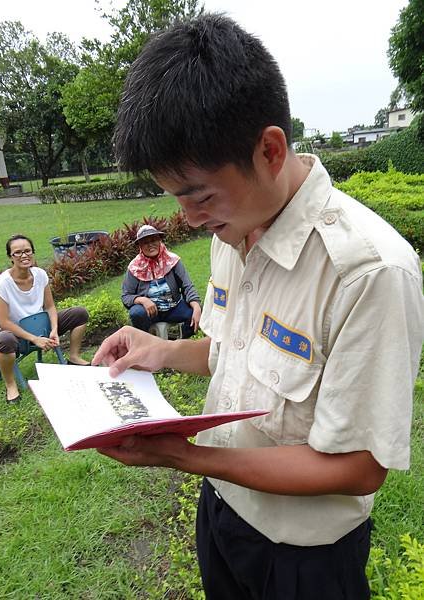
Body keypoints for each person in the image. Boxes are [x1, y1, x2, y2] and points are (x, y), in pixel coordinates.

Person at [92, 14, 424, 600]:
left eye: (199, 195)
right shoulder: (234, 232)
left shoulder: (367, 272)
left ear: (270, 149)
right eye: (176, 198)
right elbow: (235, 350)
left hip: (304, 559)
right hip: (222, 515)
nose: (189, 219)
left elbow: (357, 466)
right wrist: (162, 350)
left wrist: (187, 459)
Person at [0, 234, 90, 404]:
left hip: (40, 326)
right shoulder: (3, 284)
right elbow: (3, 322)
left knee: (80, 314)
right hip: (14, 332)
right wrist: (34, 339)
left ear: (33, 252)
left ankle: (73, 356)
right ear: (10, 257)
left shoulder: (40, 275)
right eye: (18, 252)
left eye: (27, 251)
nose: (24, 255)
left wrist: (53, 329)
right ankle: (11, 385)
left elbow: (50, 306)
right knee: (4, 340)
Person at [122, 224, 202, 339]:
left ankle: (179, 343)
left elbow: (187, 286)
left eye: (154, 240)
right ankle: (147, 342)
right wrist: (143, 300)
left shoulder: (173, 261)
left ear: (160, 241)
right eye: (145, 242)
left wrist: (196, 307)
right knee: (136, 314)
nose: (150, 245)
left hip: (174, 307)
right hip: (150, 312)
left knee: (194, 312)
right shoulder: (134, 267)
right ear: (140, 246)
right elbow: (126, 296)